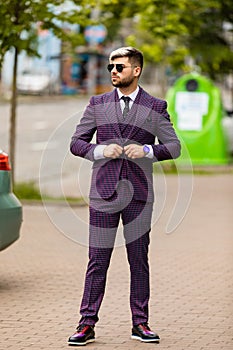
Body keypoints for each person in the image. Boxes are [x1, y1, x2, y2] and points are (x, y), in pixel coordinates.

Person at [68, 47, 181, 346]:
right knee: (97, 260)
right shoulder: (98, 103)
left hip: (139, 196)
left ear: (136, 70)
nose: (113, 72)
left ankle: (140, 324)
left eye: (119, 67)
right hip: (104, 194)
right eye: (110, 67)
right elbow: (76, 142)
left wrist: (147, 151)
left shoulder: (155, 106)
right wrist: (98, 151)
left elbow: (174, 146)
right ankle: (86, 324)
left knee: (138, 260)